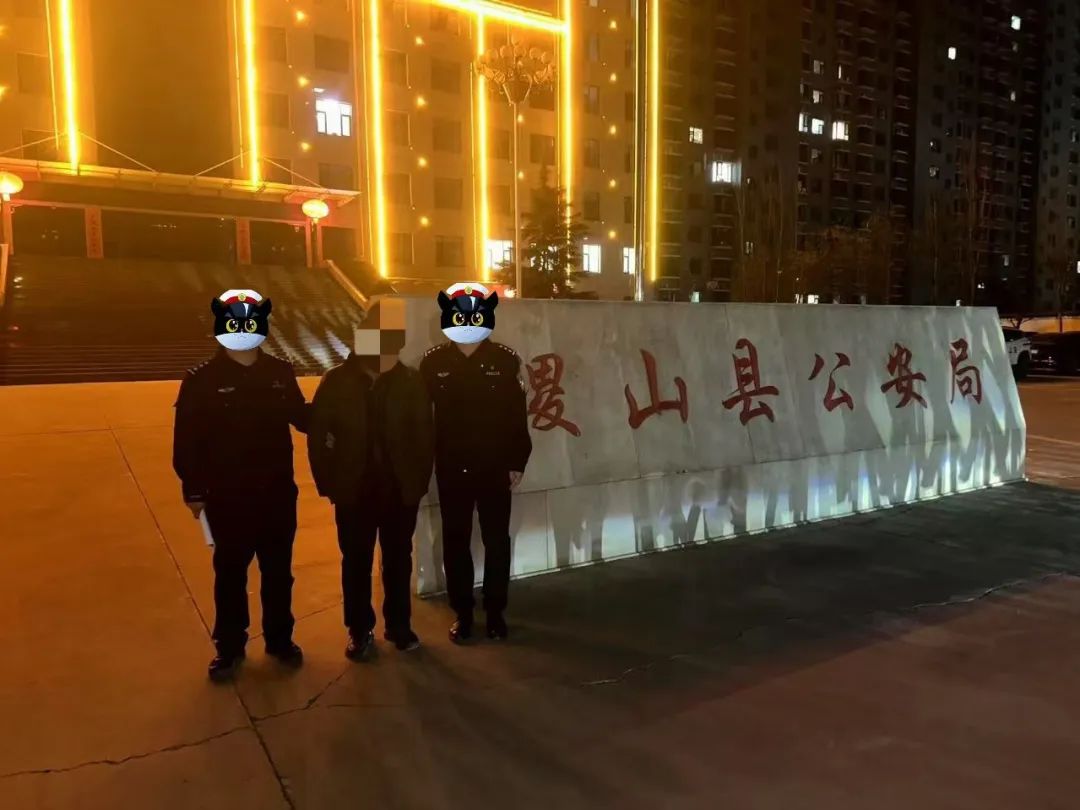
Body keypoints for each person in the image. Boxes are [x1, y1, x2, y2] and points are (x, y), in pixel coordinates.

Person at [172, 289, 310, 681]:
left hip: (277, 493)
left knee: (278, 571)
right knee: (231, 573)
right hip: (227, 497)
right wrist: (194, 490)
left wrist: (342, 406)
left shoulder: (279, 372)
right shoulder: (201, 379)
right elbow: (187, 440)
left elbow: (302, 417)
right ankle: (230, 646)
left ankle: (280, 639)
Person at [307, 307, 434, 660]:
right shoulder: (337, 381)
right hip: (354, 490)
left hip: (399, 490)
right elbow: (319, 435)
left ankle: (399, 625)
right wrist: (329, 483)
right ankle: (359, 629)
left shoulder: (410, 381)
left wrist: (417, 482)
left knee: (398, 560)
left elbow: (424, 434)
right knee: (356, 561)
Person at [419, 283, 532, 644]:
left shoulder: (505, 360)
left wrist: (517, 461)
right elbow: (421, 419)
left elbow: (517, 416)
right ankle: (463, 613)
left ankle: (495, 612)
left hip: (495, 467)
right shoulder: (432, 363)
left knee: (497, 540)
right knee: (456, 541)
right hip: (452, 467)